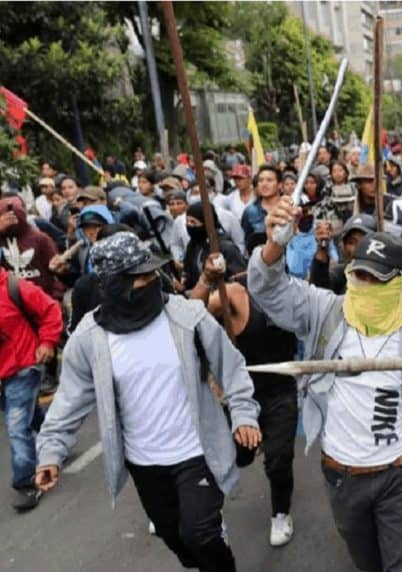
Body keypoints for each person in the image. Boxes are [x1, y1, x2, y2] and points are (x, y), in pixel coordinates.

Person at [249, 200, 402, 571]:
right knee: (366, 562)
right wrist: (274, 246)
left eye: (376, 278)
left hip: (400, 474)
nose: (364, 285)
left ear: (398, 281)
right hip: (341, 474)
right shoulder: (326, 312)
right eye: (358, 274)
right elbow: (268, 291)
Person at [35, 231, 261, 571]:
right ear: (113, 284)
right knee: (175, 537)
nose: (153, 280)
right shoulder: (89, 338)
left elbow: (232, 369)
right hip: (145, 463)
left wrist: (244, 415)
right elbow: (69, 400)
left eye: (153, 272)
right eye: (141, 276)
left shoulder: (187, 316)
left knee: (200, 533)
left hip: (195, 452)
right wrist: (51, 451)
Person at [191, 257, 300, 547]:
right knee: (236, 456)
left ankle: (280, 512)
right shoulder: (234, 294)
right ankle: (205, 513)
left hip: (281, 390)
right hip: (243, 394)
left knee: (279, 458)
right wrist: (207, 280)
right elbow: (191, 312)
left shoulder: (295, 293)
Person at [0, 265, 62, 511]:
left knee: (16, 425)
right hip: (4, 374)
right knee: (29, 415)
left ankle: (26, 482)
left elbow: (51, 309)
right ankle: (56, 441)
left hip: (23, 365)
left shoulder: (15, 287)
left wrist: (47, 342)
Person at [0, 196, 62, 300]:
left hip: (41, 300)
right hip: (7, 304)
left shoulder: (40, 239)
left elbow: (57, 271)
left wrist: (55, 298)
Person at [309, 213, 376, 295]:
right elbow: (320, 287)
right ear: (343, 246)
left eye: (365, 241)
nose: (358, 248)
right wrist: (322, 247)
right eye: (351, 242)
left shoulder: (387, 277)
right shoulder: (343, 274)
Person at [241, 165, 283, 244]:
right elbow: (246, 242)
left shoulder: (287, 208)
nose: (264, 184)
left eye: (269, 180)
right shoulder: (250, 212)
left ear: (279, 185)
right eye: (260, 180)